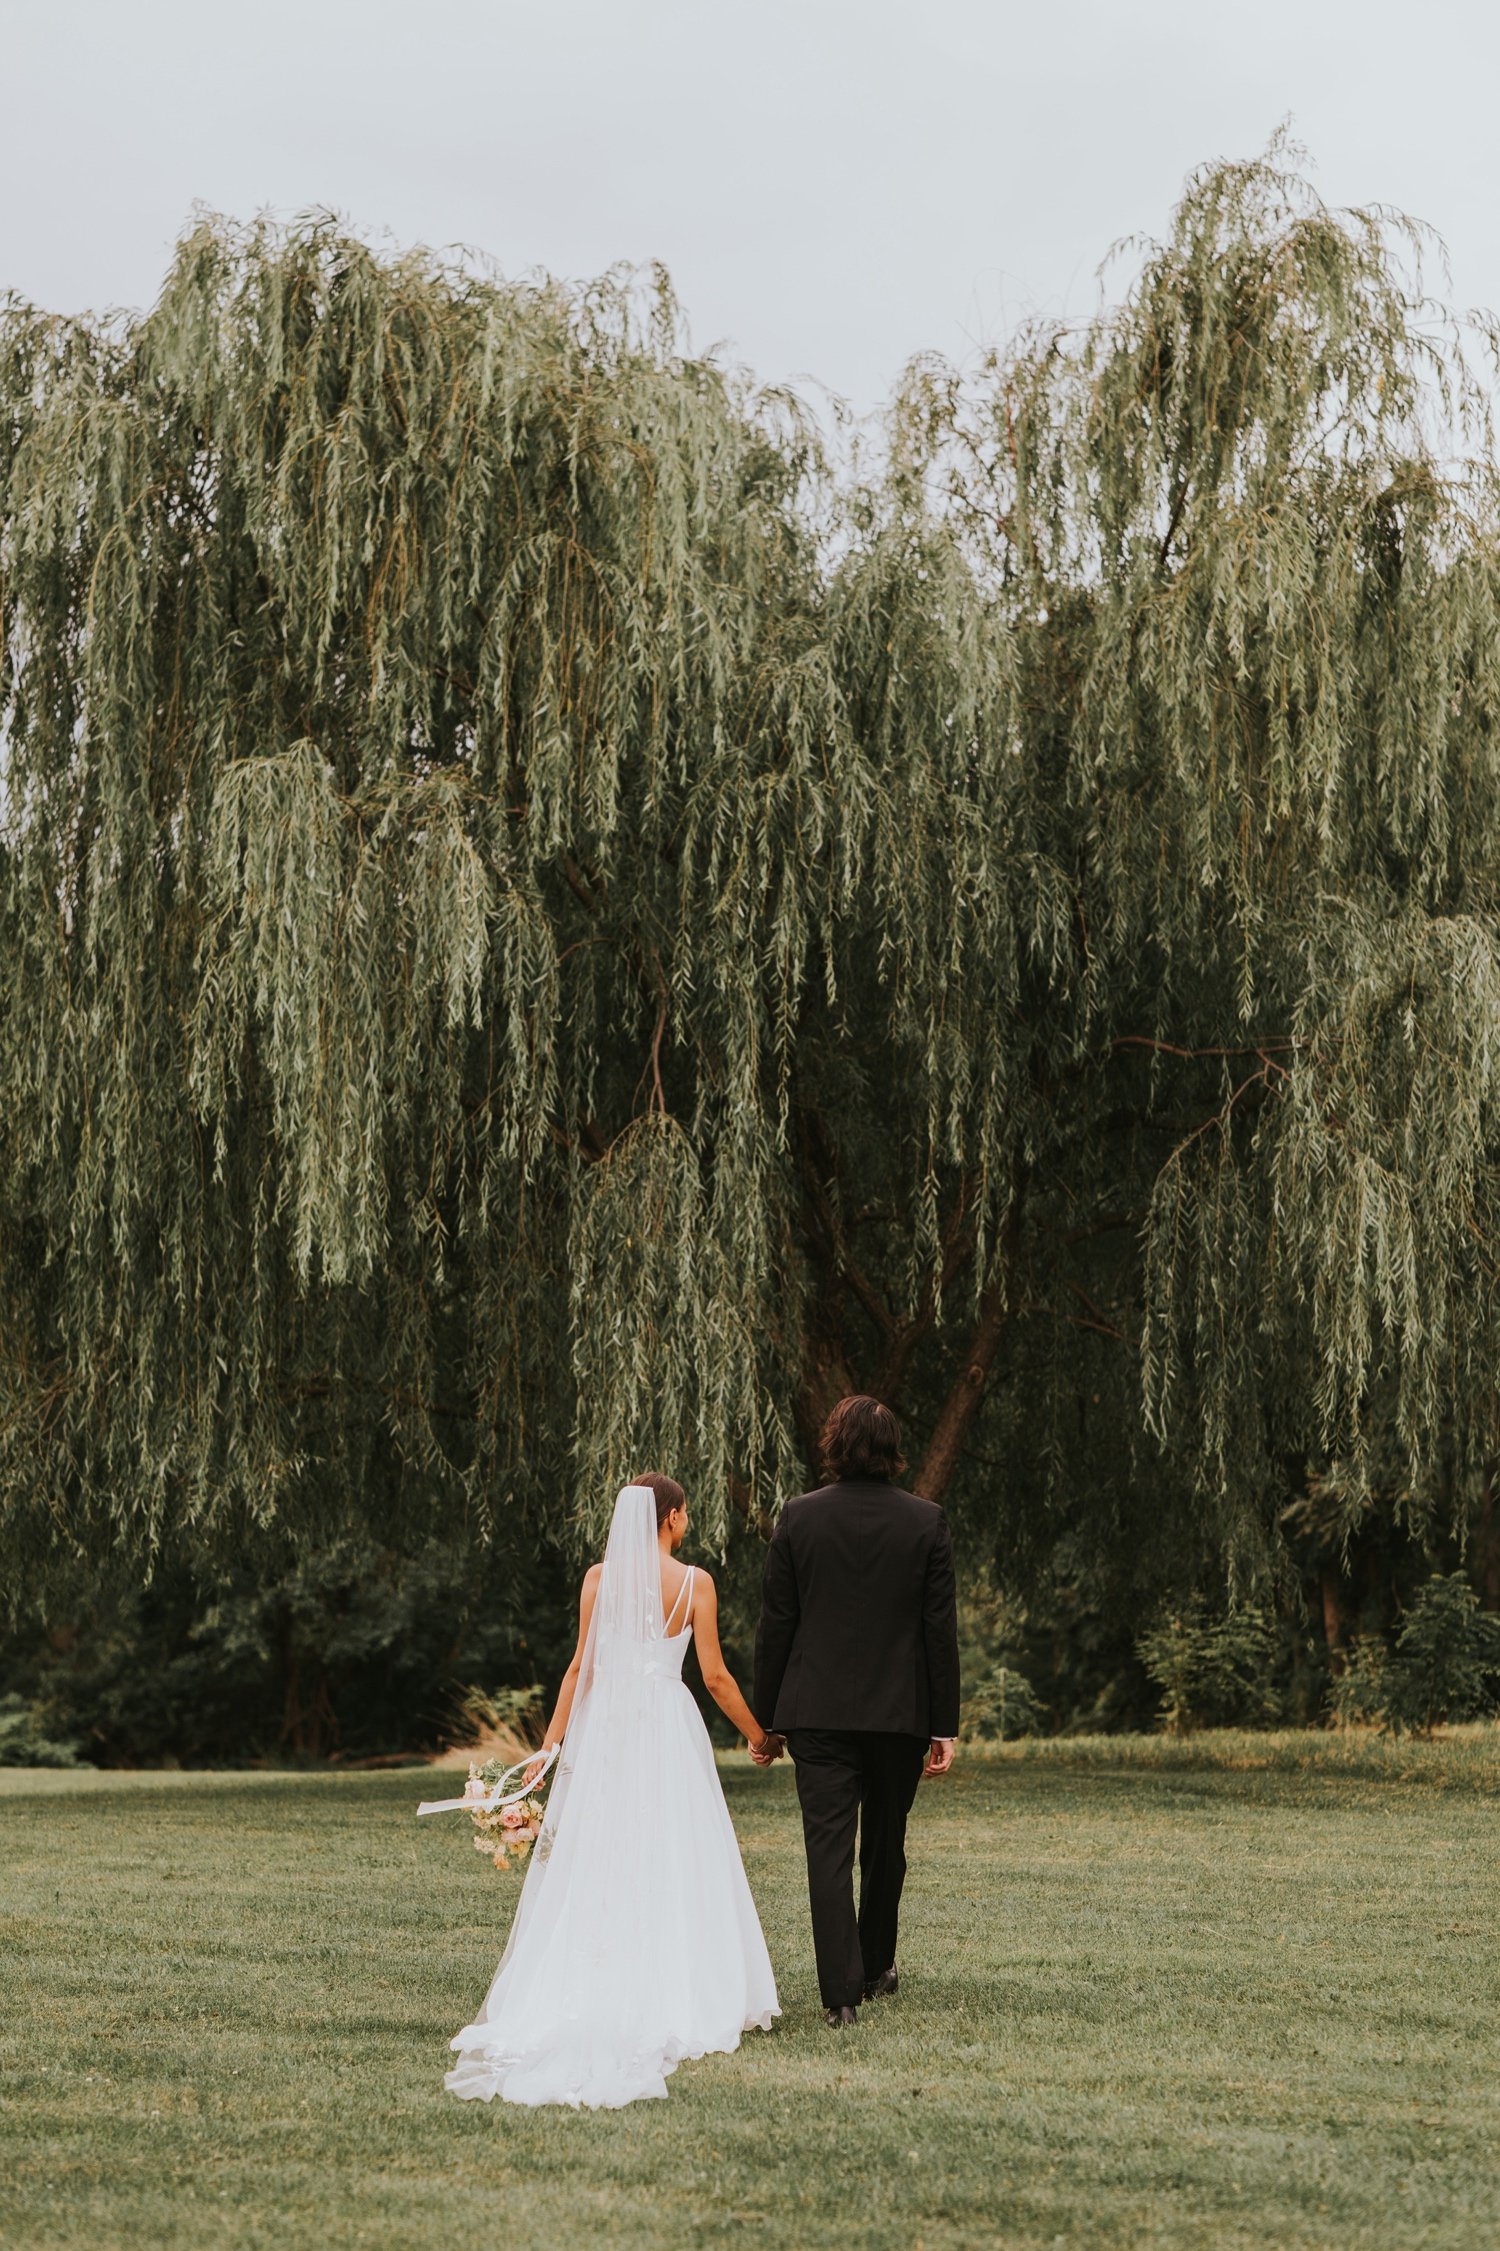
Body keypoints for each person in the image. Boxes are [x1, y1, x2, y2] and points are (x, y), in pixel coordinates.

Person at [446, 1474, 780, 2108]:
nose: (686, 1522)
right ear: (672, 1517)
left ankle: (598, 1971)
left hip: (604, 1728)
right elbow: (713, 1676)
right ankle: (678, 1981)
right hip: (666, 1724)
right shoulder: (695, 1583)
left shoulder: (598, 1580)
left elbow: (581, 1667)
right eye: (684, 1514)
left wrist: (548, 1748)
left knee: (601, 1846)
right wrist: (761, 1735)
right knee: (673, 1844)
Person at [752, 1395, 960, 2027]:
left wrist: (768, 1719)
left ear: (835, 1445)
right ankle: (874, 1968)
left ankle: (841, 1995)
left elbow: (776, 1624)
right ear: (893, 1446)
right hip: (900, 1714)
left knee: (828, 1850)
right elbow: (938, 1631)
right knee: (887, 1844)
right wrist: (942, 1724)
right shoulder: (926, 1522)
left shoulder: (798, 1517)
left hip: (815, 1712)